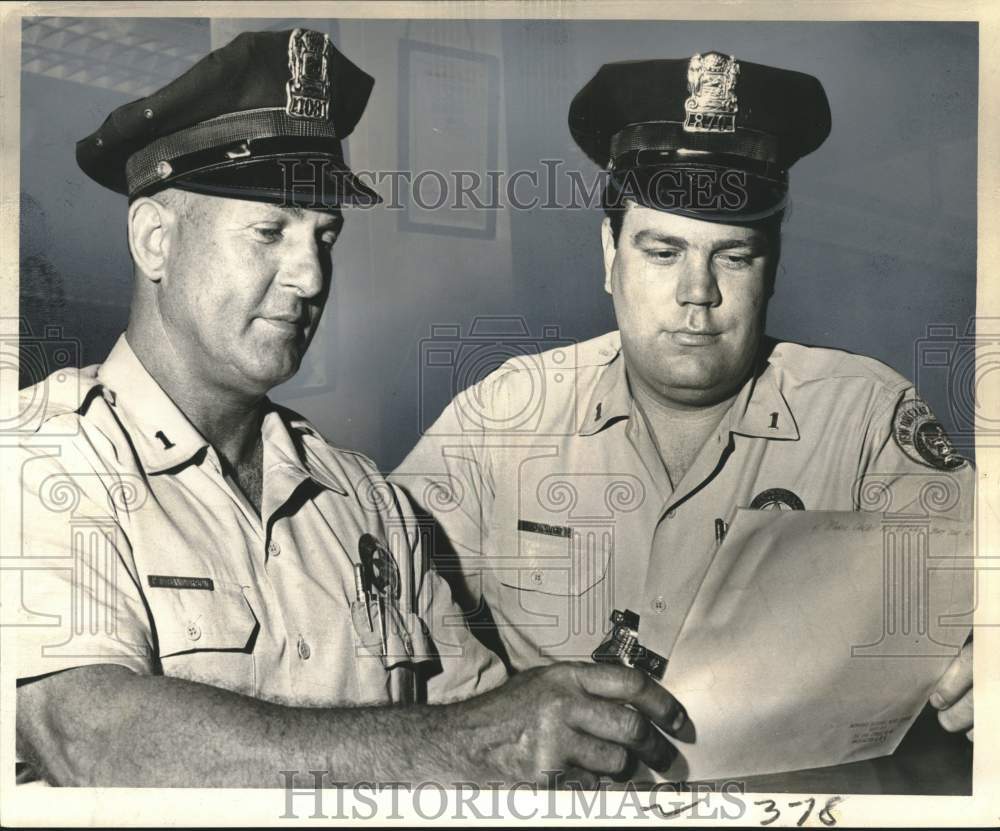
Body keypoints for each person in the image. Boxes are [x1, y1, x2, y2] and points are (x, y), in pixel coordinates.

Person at [14, 29, 687, 788]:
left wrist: (578, 736)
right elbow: (91, 737)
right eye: (269, 231)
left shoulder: (365, 501)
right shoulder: (42, 459)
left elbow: (491, 735)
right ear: (155, 238)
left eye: (323, 235)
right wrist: (476, 738)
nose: (308, 275)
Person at [391, 52, 974, 747]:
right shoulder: (505, 414)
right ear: (609, 255)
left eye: (733, 256)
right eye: (663, 252)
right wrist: (481, 722)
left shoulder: (864, 419)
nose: (698, 293)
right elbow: (375, 583)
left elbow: (976, 586)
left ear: (775, 267)